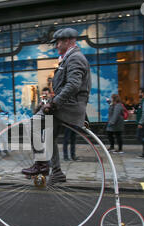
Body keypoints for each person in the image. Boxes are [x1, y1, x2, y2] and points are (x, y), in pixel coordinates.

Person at [21, 27, 91, 184]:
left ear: (67, 41)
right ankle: (57, 172)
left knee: (34, 123)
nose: (56, 46)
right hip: (66, 105)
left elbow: (73, 85)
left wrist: (54, 104)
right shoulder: (68, 58)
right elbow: (65, 87)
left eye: (58, 42)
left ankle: (41, 164)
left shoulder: (75, 58)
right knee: (48, 137)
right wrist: (49, 101)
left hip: (69, 107)